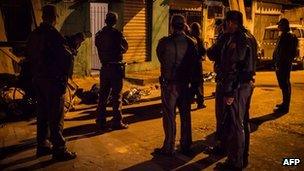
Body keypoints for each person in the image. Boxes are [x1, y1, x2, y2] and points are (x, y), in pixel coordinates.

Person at [27, 5, 76, 160]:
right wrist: (65, 77)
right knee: (56, 116)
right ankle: (59, 150)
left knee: (42, 114)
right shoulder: (53, 34)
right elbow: (66, 57)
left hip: (38, 80)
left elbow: (29, 56)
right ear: (55, 17)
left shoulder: (34, 34)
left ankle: (42, 146)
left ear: (43, 16)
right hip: (53, 82)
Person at [214, 11, 257, 170]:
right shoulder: (250, 37)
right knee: (243, 121)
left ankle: (235, 162)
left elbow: (234, 65)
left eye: (227, 22)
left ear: (232, 22)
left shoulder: (238, 38)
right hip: (246, 84)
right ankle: (242, 158)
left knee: (235, 124)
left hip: (238, 86)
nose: (226, 25)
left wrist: (230, 91)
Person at [153, 14, 198, 156]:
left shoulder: (164, 42)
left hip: (169, 84)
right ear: (184, 25)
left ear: (171, 25)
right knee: (185, 115)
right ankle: (186, 145)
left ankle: (169, 146)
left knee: (169, 116)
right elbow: (195, 65)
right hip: (184, 84)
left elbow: (161, 58)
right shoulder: (191, 43)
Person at [95, 12, 128, 130]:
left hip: (104, 68)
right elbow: (125, 48)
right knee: (116, 96)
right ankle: (117, 121)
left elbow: (98, 46)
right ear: (115, 21)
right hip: (116, 68)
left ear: (105, 20)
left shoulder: (99, 35)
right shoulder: (117, 34)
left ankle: (100, 121)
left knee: (103, 96)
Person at [206, 19, 230, 155]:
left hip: (226, 82)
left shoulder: (226, 37)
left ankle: (222, 146)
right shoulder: (248, 37)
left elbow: (211, 53)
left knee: (222, 114)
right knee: (235, 116)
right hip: (240, 83)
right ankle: (234, 149)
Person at [273, 18, 298, 114]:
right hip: (280, 64)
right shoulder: (283, 35)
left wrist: (281, 63)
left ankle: (285, 107)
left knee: (285, 84)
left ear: (284, 25)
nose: (278, 26)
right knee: (283, 85)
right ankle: (284, 103)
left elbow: (288, 53)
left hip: (284, 65)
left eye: (279, 25)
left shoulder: (289, 36)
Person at [189, 22, 207, 109]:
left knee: (193, 84)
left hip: (190, 65)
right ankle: (200, 102)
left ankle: (189, 100)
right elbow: (203, 51)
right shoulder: (199, 39)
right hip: (197, 64)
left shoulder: (189, 39)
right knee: (198, 84)